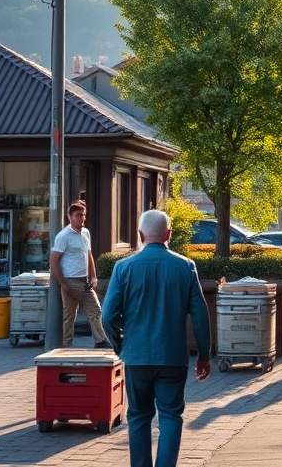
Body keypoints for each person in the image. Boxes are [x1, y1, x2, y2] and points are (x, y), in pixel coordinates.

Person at [102, 209, 211, 467]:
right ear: (168, 234)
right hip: (172, 356)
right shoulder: (185, 266)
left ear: (140, 234)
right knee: (171, 415)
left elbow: (107, 317)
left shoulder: (123, 267)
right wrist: (204, 356)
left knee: (139, 417)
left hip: (136, 356)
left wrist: (120, 345)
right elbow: (200, 317)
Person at [50, 200, 111, 348]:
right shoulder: (64, 236)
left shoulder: (85, 233)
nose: (82, 218)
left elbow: (88, 255)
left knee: (93, 310)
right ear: (70, 217)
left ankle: (98, 341)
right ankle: (69, 344)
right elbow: (54, 261)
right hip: (70, 280)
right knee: (72, 314)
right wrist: (63, 283)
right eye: (79, 215)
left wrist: (93, 275)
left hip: (85, 281)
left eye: (84, 215)